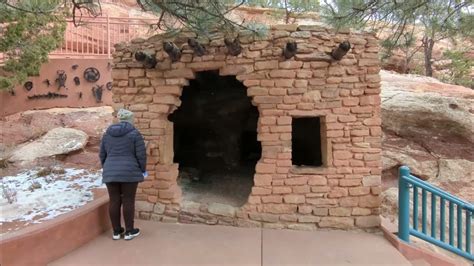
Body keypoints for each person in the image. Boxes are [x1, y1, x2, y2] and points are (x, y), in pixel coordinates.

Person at [99, 109, 147, 240]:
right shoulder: (135, 134)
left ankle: (116, 231)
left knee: (114, 200)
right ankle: (129, 231)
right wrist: (142, 169)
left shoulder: (107, 134)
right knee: (128, 200)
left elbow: (102, 154)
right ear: (131, 120)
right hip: (129, 172)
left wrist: (107, 168)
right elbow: (141, 155)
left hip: (110, 172)